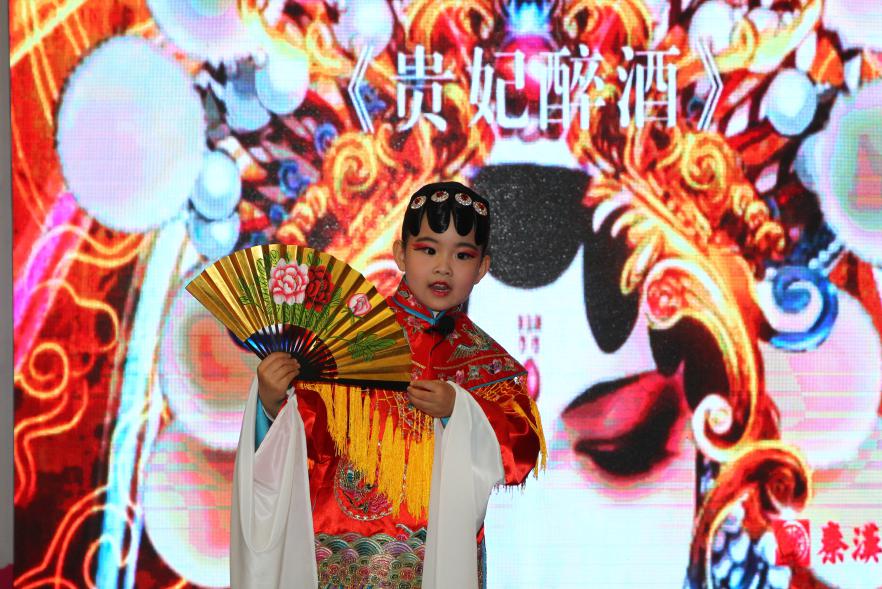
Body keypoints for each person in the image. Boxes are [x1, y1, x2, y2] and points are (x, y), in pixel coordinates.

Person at [229, 181, 546, 588]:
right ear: (400, 254)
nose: (444, 267)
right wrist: (271, 405)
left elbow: (520, 453)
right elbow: (299, 442)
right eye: (428, 250)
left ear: (482, 268)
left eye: (463, 255)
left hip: (436, 566)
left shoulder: (485, 362)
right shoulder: (344, 342)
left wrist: (459, 409)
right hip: (335, 561)